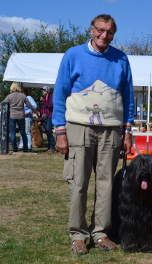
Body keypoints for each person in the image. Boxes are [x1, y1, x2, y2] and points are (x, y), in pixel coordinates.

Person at [52, 14, 134, 255]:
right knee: (79, 183)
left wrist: (127, 131)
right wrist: (60, 131)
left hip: (111, 129)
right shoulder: (73, 55)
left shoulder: (121, 59)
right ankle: (78, 234)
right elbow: (60, 93)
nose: (103, 35)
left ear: (113, 34)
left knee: (106, 184)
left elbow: (128, 96)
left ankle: (100, 233)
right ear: (91, 30)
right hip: (79, 127)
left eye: (109, 32)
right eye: (99, 30)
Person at [1, 82, 36, 153]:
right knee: (23, 133)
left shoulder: (9, 96)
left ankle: (14, 148)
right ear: (18, 87)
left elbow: (2, 104)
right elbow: (29, 105)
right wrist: (34, 110)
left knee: (12, 133)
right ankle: (26, 149)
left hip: (12, 116)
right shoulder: (23, 96)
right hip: (21, 116)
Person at [39, 86, 56, 152]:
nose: (42, 92)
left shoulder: (51, 97)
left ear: (47, 91)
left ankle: (52, 147)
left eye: (44, 90)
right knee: (47, 132)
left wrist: (43, 101)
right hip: (44, 117)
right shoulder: (43, 98)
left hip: (49, 116)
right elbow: (42, 108)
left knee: (49, 131)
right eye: (42, 90)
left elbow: (50, 105)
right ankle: (50, 147)